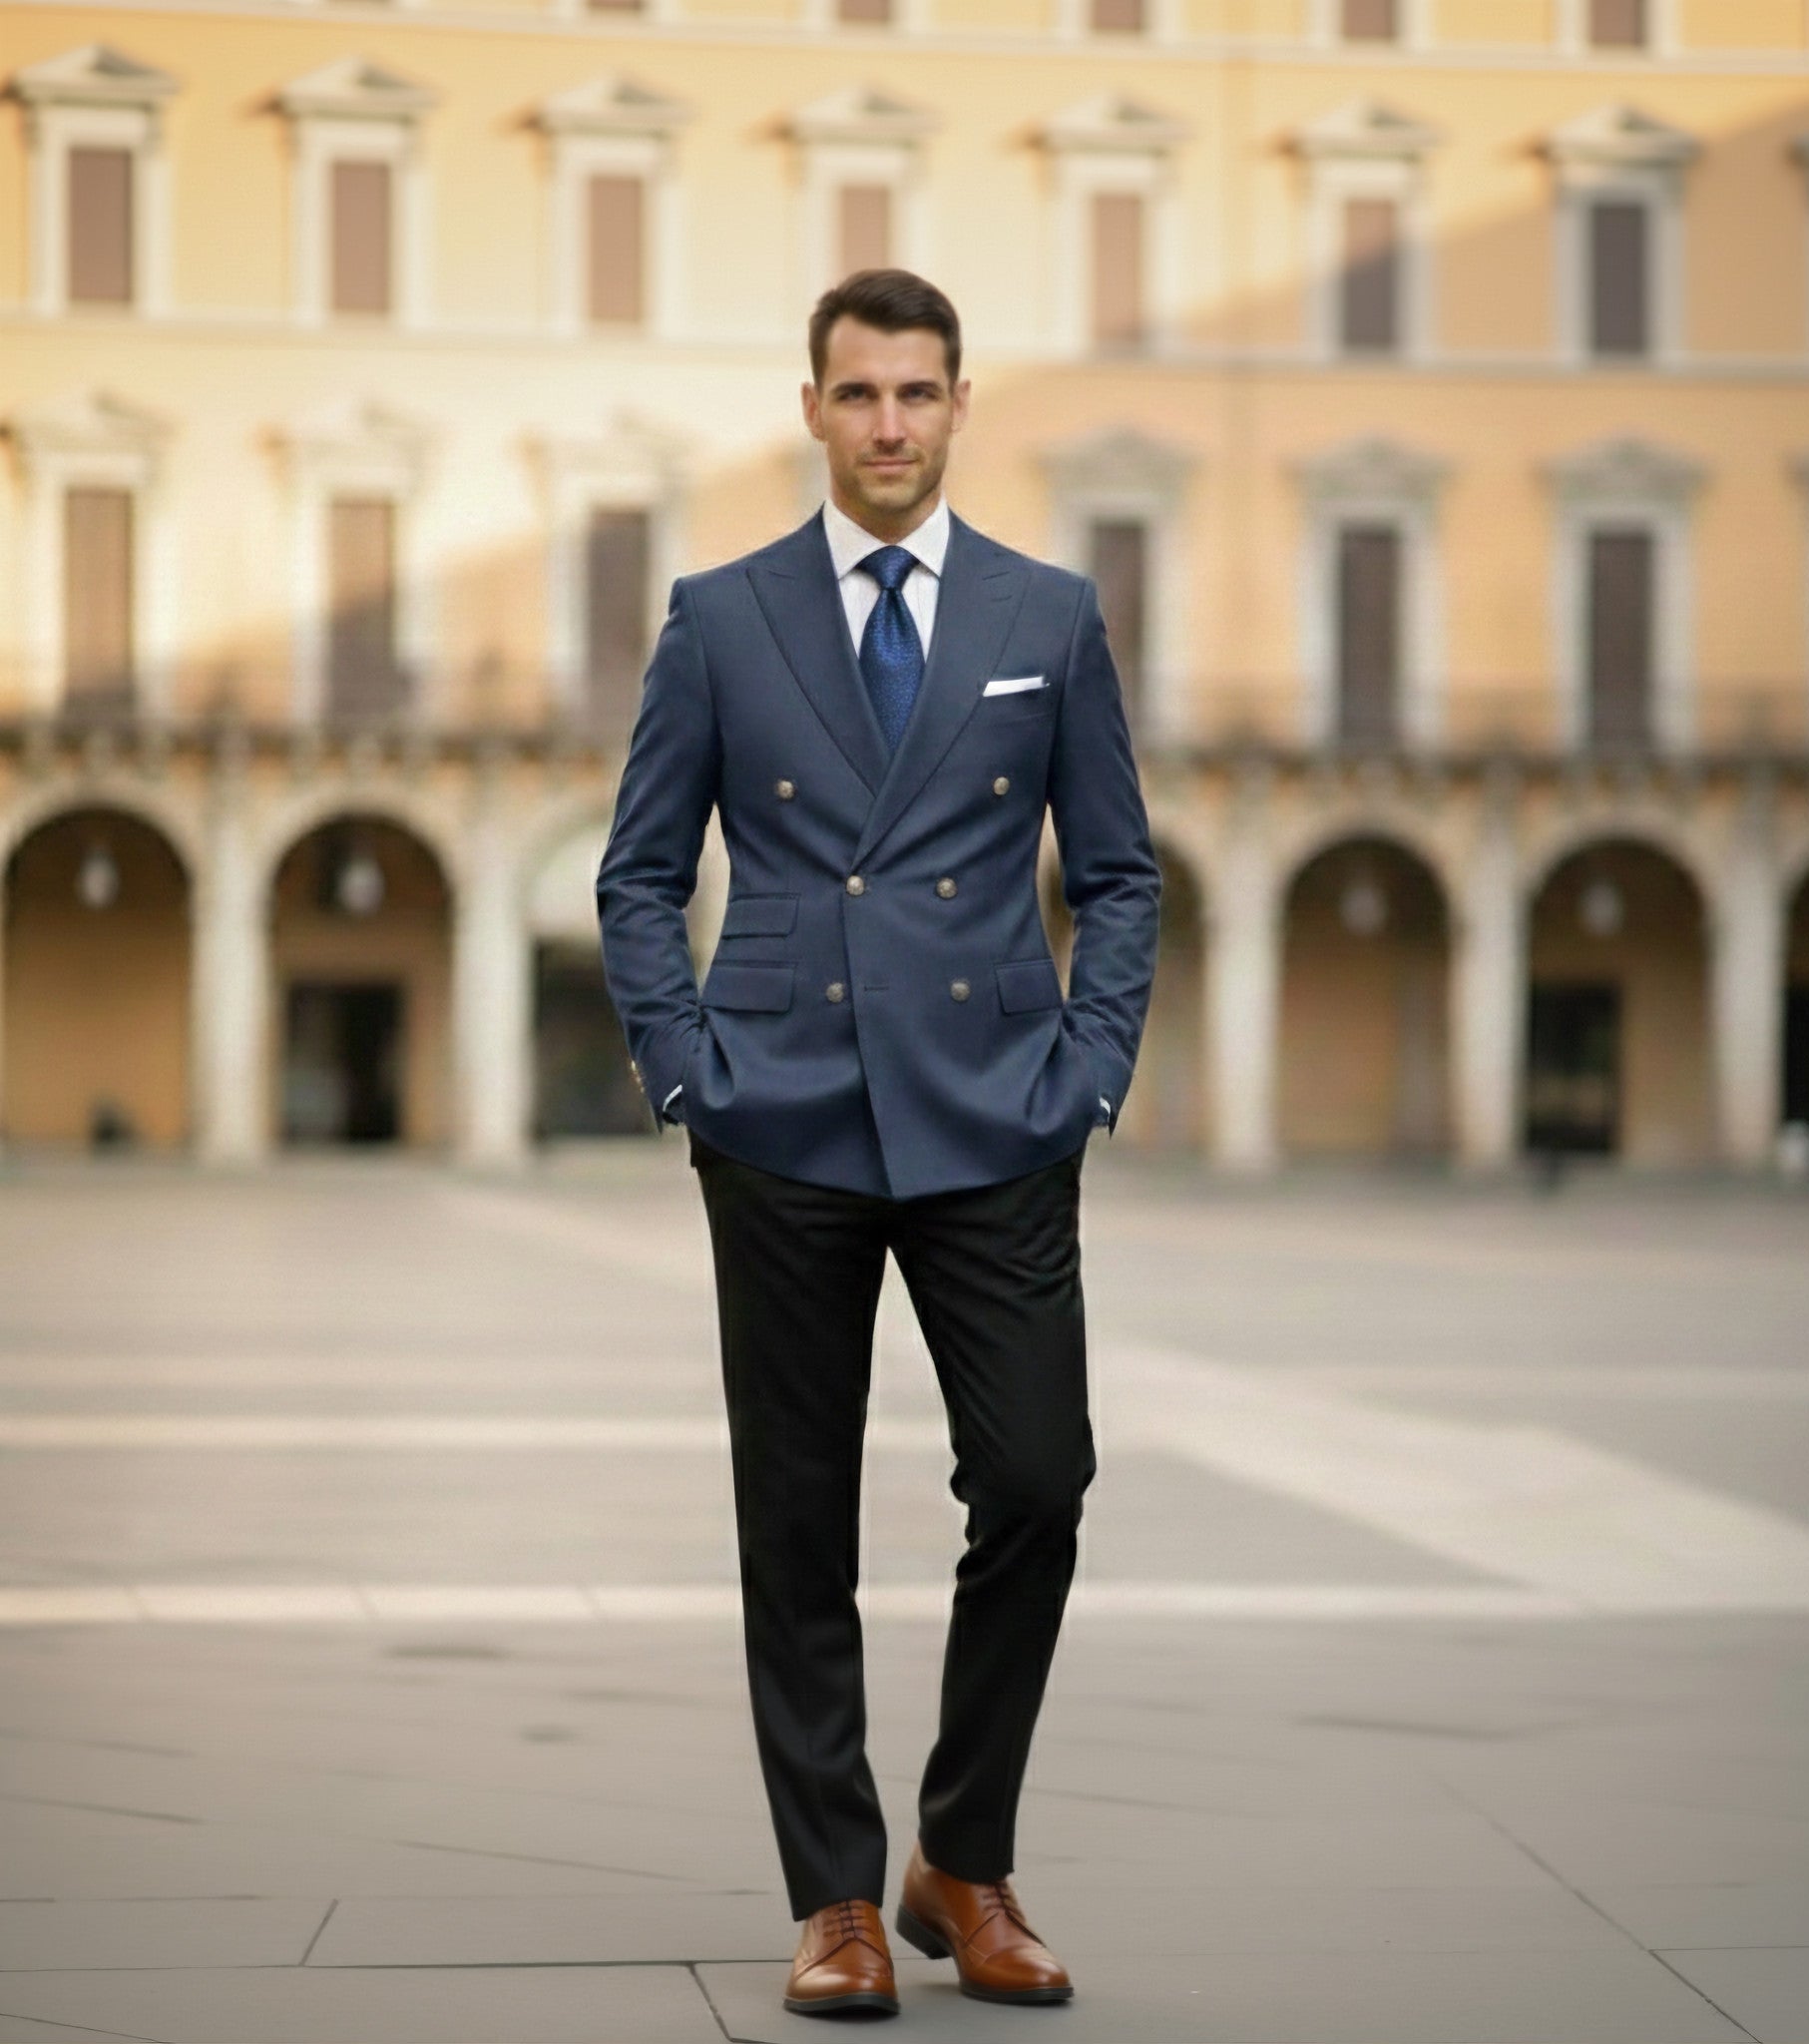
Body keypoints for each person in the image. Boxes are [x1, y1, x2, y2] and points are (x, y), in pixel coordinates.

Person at [596, 267, 1160, 2018]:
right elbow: (636, 874)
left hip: (996, 1112)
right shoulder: (720, 613)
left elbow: (1120, 875)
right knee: (795, 1515)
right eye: (860, 395)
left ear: (960, 406)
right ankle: (834, 1898)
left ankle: (960, 1858)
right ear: (814, 410)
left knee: (1040, 1481)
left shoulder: (1047, 615)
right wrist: (688, 1070)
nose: (891, 425)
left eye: (919, 394)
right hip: (782, 1114)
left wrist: (1088, 1073)